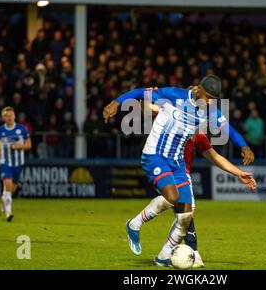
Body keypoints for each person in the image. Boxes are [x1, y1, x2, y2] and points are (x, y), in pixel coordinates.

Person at [103, 75, 254, 266]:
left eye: (213, 99)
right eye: (207, 96)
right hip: (154, 155)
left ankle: (164, 256)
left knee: (185, 216)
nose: (209, 101)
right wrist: (117, 102)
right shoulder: (174, 94)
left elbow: (229, 130)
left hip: (177, 163)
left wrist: (243, 146)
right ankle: (134, 224)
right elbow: (142, 93)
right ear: (199, 88)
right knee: (172, 196)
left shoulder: (209, 111)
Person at [0, 107, 31, 222]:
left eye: (11, 115)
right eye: (6, 116)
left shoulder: (22, 129)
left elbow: (29, 145)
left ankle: (4, 198)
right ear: (3, 117)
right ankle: (9, 213)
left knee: (12, 188)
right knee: (7, 185)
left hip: (18, 163)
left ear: (14, 116)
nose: (9, 118)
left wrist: (19, 146)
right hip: (5, 162)